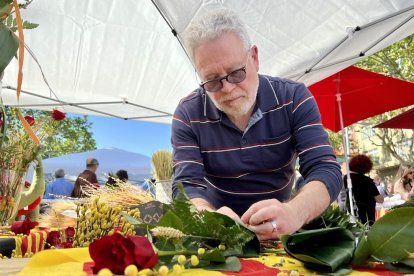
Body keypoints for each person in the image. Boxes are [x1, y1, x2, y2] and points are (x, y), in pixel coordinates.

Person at [171, 9, 342, 240]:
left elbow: (325, 168)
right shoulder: (188, 113)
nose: (227, 89)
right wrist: (209, 218)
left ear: (254, 58)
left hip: (284, 226)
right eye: (212, 81)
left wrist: (294, 212)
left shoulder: (293, 98)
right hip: (216, 233)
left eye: (235, 73)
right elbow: (186, 187)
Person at [344, 155, 384, 225]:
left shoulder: (345, 178)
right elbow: (379, 200)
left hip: (350, 214)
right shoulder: (367, 181)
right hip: (366, 216)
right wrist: (378, 185)